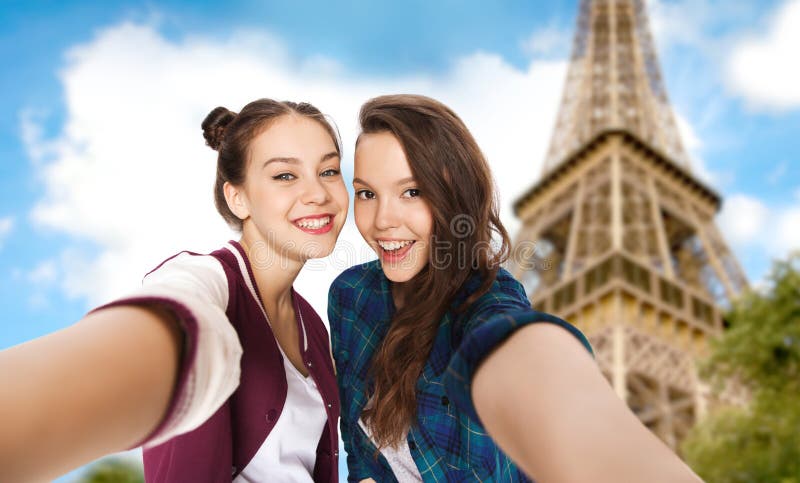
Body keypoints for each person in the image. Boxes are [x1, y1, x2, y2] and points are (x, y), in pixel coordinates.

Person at [328, 94, 703, 482]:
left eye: (412, 192)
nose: (383, 220)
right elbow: (359, 450)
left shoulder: (484, 304)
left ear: (454, 196)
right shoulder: (351, 295)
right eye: (367, 193)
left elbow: (517, 353)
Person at [0, 99, 347, 483]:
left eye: (329, 170)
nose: (319, 193)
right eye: (285, 175)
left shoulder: (312, 325)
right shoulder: (205, 281)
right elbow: (175, 322)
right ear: (238, 198)